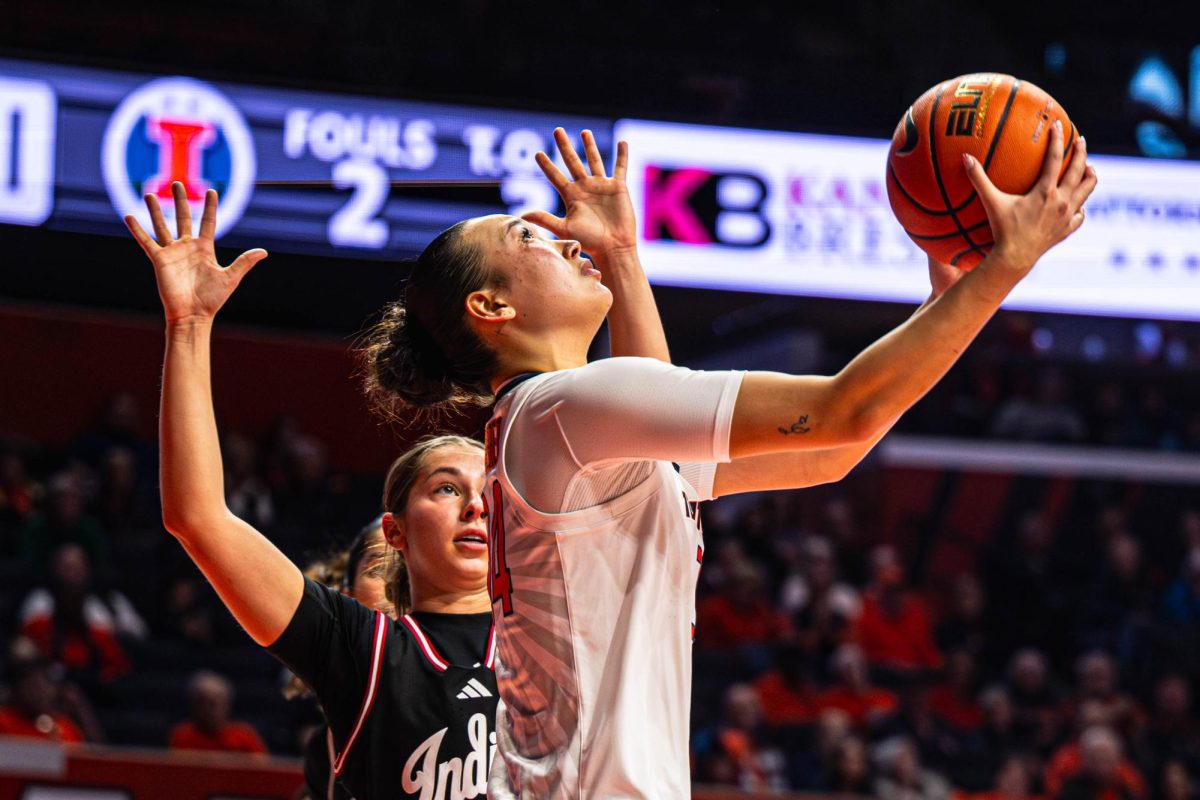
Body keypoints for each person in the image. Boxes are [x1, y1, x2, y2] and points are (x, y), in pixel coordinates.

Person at [355, 123, 1096, 796]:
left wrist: (623, 256)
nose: (566, 241)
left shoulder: (564, 429)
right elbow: (843, 409)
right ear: (492, 308)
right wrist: (1004, 268)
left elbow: (833, 453)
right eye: (529, 238)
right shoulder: (563, 409)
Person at [122, 128, 670, 799]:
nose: (476, 504)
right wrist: (188, 326)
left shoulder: (566, 628)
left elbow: (652, 443)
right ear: (395, 532)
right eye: (446, 489)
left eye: (486, 486)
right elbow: (199, 517)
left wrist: (622, 258)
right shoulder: (362, 647)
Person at [169, 670, 268, 756]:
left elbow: (263, 768)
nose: (210, 710)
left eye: (215, 703)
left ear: (227, 704)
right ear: (193, 704)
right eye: (203, 703)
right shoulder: (182, 736)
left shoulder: (245, 736)